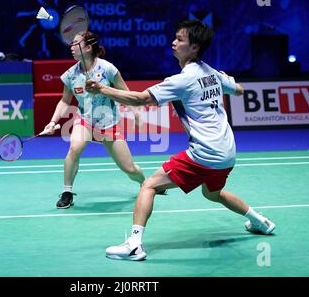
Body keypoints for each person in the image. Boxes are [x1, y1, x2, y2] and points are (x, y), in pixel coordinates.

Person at [85, 20, 276, 261]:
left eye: (180, 39)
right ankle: (260, 221)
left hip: (205, 153)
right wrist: (229, 80)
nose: (173, 42)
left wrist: (103, 90)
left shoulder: (183, 80)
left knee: (149, 185)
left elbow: (140, 98)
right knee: (213, 194)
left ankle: (134, 245)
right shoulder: (213, 74)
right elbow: (239, 89)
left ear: (194, 47)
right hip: (227, 153)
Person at [43, 31, 145, 209]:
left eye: (76, 44)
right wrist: (53, 121)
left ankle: (145, 184)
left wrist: (136, 112)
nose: (71, 47)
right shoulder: (70, 75)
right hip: (85, 120)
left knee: (129, 169)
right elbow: (64, 101)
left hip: (109, 123)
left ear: (88, 48)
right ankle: (67, 192)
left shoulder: (107, 69)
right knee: (75, 148)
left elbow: (125, 92)